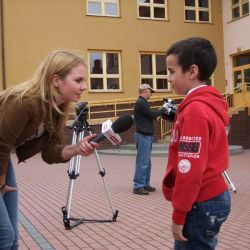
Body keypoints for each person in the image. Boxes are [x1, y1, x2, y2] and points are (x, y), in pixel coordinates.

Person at [0, 49, 99, 249]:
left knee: (13, 240)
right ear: (56, 80)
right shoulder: (26, 102)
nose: (84, 86)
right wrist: (1, 184)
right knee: (4, 238)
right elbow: (1, 145)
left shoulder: (57, 109)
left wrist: (77, 149)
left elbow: (50, 151)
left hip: (2, 161)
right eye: (78, 80)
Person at [162, 37, 231, 249]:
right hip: (210, 197)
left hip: (200, 202)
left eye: (172, 71)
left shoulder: (195, 111)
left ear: (192, 72)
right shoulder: (204, 105)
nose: (169, 78)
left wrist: (179, 214)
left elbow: (190, 169)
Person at [133, 83, 168, 195]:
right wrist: (163, 108)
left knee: (146, 161)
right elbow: (152, 114)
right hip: (143, 135)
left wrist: (158, 112)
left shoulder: (142, 103)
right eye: (150, 91)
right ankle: (138, 186)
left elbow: (149, 115)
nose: (151, 94)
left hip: (145, 135)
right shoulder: (141, 103)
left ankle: (145, 184)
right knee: (143, 161)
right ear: (145, 91)